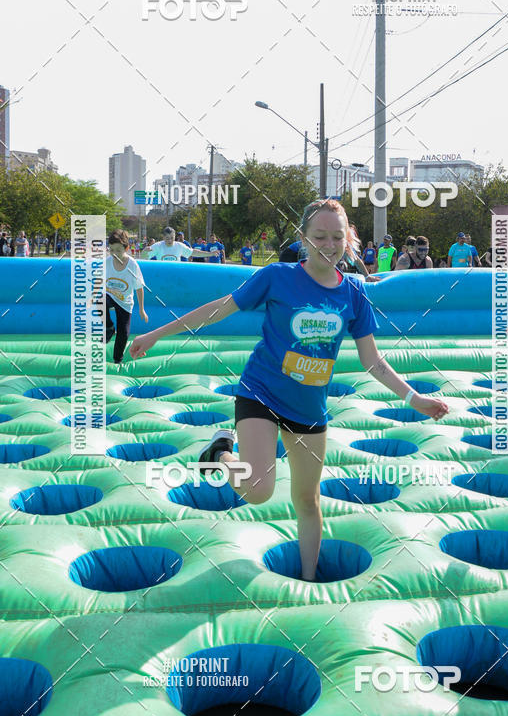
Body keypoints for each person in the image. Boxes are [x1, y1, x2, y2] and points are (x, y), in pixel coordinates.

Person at [129, 198, 449, 581]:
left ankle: (310, 577)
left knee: (308, 501)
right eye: (319, 237)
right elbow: (218, 309)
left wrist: (416, 398)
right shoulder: (277, 277)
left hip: (309, 409)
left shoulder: (354, 294)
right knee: (260, 489)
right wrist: (155, 334)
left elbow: (373, 362)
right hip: (261, 393)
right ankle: (220, 454)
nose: (328, 245)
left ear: (349, 240)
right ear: (303, 238)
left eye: (337, 237)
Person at [104, 230, 148, 365]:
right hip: (110, 295)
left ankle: (117, 360)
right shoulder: (107, 262)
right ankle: (109, 327)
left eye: (118, 250)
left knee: (123, 333)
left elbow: (139, 287)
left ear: (126, 248)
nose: (114, 254)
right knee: (100, 301)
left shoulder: (132, 265)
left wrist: (141, 309)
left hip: (125, 301)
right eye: (111, 250)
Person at [150, 227, 218, 262]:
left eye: (172, 238)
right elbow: (144, 258)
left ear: (175, 237)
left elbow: (193, 252)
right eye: (167, 238)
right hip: (161, 275)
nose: (170, 240)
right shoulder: (157, 246)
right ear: (163, 237)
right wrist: (144, 252)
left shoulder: (179, 246)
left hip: (176, 276)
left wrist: (210, 254)